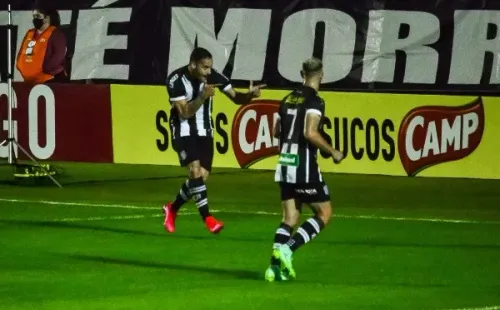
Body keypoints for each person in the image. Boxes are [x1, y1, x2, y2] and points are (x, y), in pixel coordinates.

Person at [163, 47, 266, 234]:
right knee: (194, 170)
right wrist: (202, 96)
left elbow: (236, 98)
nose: (209, 72)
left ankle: (173, 208)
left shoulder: (214, 77)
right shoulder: (175, 80)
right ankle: (208, 218)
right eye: (205, 68)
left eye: (210, 67)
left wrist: (250, 94)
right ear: (193, 65)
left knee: (200, 179)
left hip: (205, 130)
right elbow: (185, 113)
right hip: (183, 129)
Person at [264, 57, 344, 281]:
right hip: (303, 166)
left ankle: (274, 268)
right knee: (324, 213)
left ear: (302, 74)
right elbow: (310, 132)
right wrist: (332, 151)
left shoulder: (287, 98)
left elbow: (277, 131)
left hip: (285, 163)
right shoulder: (315, 101)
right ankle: (288, 249)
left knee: (290, 217)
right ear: (322, 75)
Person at [16, 6, 67, 84]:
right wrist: (20, 65)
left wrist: (44, 68)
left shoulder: (56, 34)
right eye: (33, 16)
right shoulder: (30, 33)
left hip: (49, 80)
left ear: (47, 18)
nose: (35, 19)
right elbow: (21, 52)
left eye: (38, 16)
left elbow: (58, 55)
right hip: (28, 81)